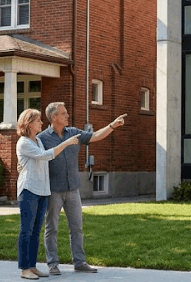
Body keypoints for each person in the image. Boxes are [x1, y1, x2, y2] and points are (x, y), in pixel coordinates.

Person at [38, 102, 126, 275]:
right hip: (53, 189)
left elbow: (95, 136)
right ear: (54, 117)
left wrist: (111, 126)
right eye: (63, 114)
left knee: (77, 227)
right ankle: (53, 264)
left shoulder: (74, 133)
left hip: (73, 189)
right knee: (52, 228)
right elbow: (34, 156)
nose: (67, 116)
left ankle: (79, 262)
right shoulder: (42, 138)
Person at [16, 108, 80, 280]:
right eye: (38, 121)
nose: (41, 123)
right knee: (26, 230)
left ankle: (32, 266)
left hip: (43, 191)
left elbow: (39, 160)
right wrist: (66, 143)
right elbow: (45, 156)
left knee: (36, 231)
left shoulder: (37, 141)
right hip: (29, 190)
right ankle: (24, 269)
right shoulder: (24, 142)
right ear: (28, 123)